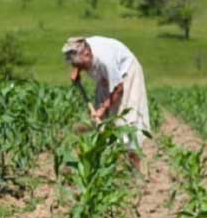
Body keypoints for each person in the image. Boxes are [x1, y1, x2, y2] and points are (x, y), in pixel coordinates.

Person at [62, 36, 151, 168]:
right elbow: (76, 57)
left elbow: (118, 88)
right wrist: (77, 70)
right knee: (100, 122)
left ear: (87, 54)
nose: (83, 68)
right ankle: (106, 165)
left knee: (126, 121)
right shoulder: (81, 47)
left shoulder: (105, 60)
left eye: (82, 65)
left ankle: (134, 169)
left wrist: (103, 109)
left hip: (126, 74)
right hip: (106, 78)